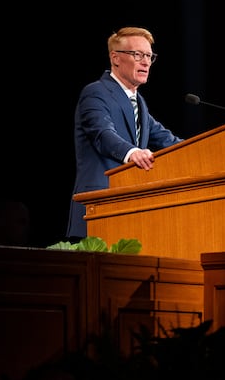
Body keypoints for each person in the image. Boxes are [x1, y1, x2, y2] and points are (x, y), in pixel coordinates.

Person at [67, 26, 183, 239]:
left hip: (128, 208)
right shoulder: (95, 92)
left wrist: (207, 149)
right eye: (138, 55)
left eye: (149, 56)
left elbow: (166, 139)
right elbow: (103, 134)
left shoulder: (138, 102)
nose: (146, 62)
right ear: (116, 58)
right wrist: (132, 153)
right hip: (98, 206)